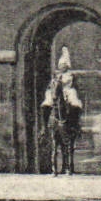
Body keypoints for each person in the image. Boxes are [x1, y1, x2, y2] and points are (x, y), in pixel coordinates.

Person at [40, 46, 84, 176]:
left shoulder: (70, 75)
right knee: (46, 102)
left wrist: (66, 89)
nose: (61, 67)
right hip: (57, 92)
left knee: (74, 101)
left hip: (68, 92)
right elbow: (52, 85)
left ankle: (76, 122)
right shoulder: (56, 76)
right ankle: (44, 125)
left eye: (63, 65)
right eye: (60, 65)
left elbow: (72, 85)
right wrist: (52, 88)